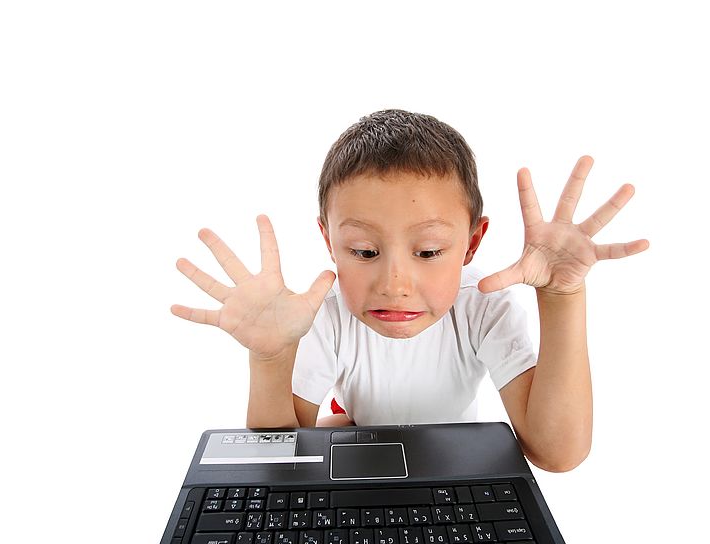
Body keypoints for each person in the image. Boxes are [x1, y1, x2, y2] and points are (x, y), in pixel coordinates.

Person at [171, 109, 649, 472]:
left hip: (457, 471)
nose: (394, 285)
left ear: (471, 243)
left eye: (427, 252)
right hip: (365, 470)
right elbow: (279, 459)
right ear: (329, 243)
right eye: (362, 251)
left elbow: (557, 452)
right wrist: (271, 359)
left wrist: (563, 297)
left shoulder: (482, 303)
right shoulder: (324, 314)